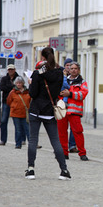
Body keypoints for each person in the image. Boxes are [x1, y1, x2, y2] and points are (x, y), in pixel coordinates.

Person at [26, 47, 71, 180]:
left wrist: (31, 83)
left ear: (43, 58)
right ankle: (64, 170)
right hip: (50, 111)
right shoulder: (59, 73)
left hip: (36, 110)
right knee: (55, 141)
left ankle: (31, 169)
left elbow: (32, 93)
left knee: (33, 140)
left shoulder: (37, 73)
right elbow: (58, 91)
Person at [58, 61, 89, 161]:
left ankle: (82, 153)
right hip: (62, 110)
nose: (73, 70)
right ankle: (64, 153)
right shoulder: (62, 80)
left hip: (74, 111)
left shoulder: (82, 82)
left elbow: (82, 94)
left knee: (78, 132)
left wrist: (70, 94)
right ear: (68, 70)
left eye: (75, 68)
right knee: (62, 133)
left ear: (79, 70)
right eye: (71, 68)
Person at [7, 76, 31, 149]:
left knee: (28, 129)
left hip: (25, 114)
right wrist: (14, 106)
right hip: (16, 113)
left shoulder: (27, 92)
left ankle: (32, 143)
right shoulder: (12, 92)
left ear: (23, 83)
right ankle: (18, 144)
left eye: (20, 83)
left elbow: (30, 101)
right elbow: (8, 101)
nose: (18, 84)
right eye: (17, 83)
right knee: (18, 130)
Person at [0, 64, 20, 145]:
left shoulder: (18, 78)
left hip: (16, 102)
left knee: (17, 122)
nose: (10, 71)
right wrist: (12, 87)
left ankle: (19, 140)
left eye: (12, 69)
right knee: (3, 121)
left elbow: (19, 88)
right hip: (6, 102)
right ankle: (3, 140)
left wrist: (10, 87)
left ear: (14, 70)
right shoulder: (4, 79)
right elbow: (2, 88)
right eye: (9, 69)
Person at [63, 58, 78, 154]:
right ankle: (62, 147)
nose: (69, 67)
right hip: (62, 105)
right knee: (62, 128)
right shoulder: (62, 76)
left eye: (71, 65)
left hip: (73, 107)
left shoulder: (78, 79)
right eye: (67, 65)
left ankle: (72, 145)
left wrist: (70, 92)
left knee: (74, 128)